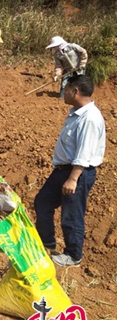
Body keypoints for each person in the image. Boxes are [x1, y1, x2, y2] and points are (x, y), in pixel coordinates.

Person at [34, 75, 105, 267]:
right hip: (62, 171)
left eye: (66, 89)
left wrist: (73, 179)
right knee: (42, 202)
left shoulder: (89, 118)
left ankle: (74, 256)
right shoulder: (76, 113)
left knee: (71, 215)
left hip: (77, 173)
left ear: (75, 91)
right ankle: (47, 244)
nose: (63, 93)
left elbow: (85, 152)